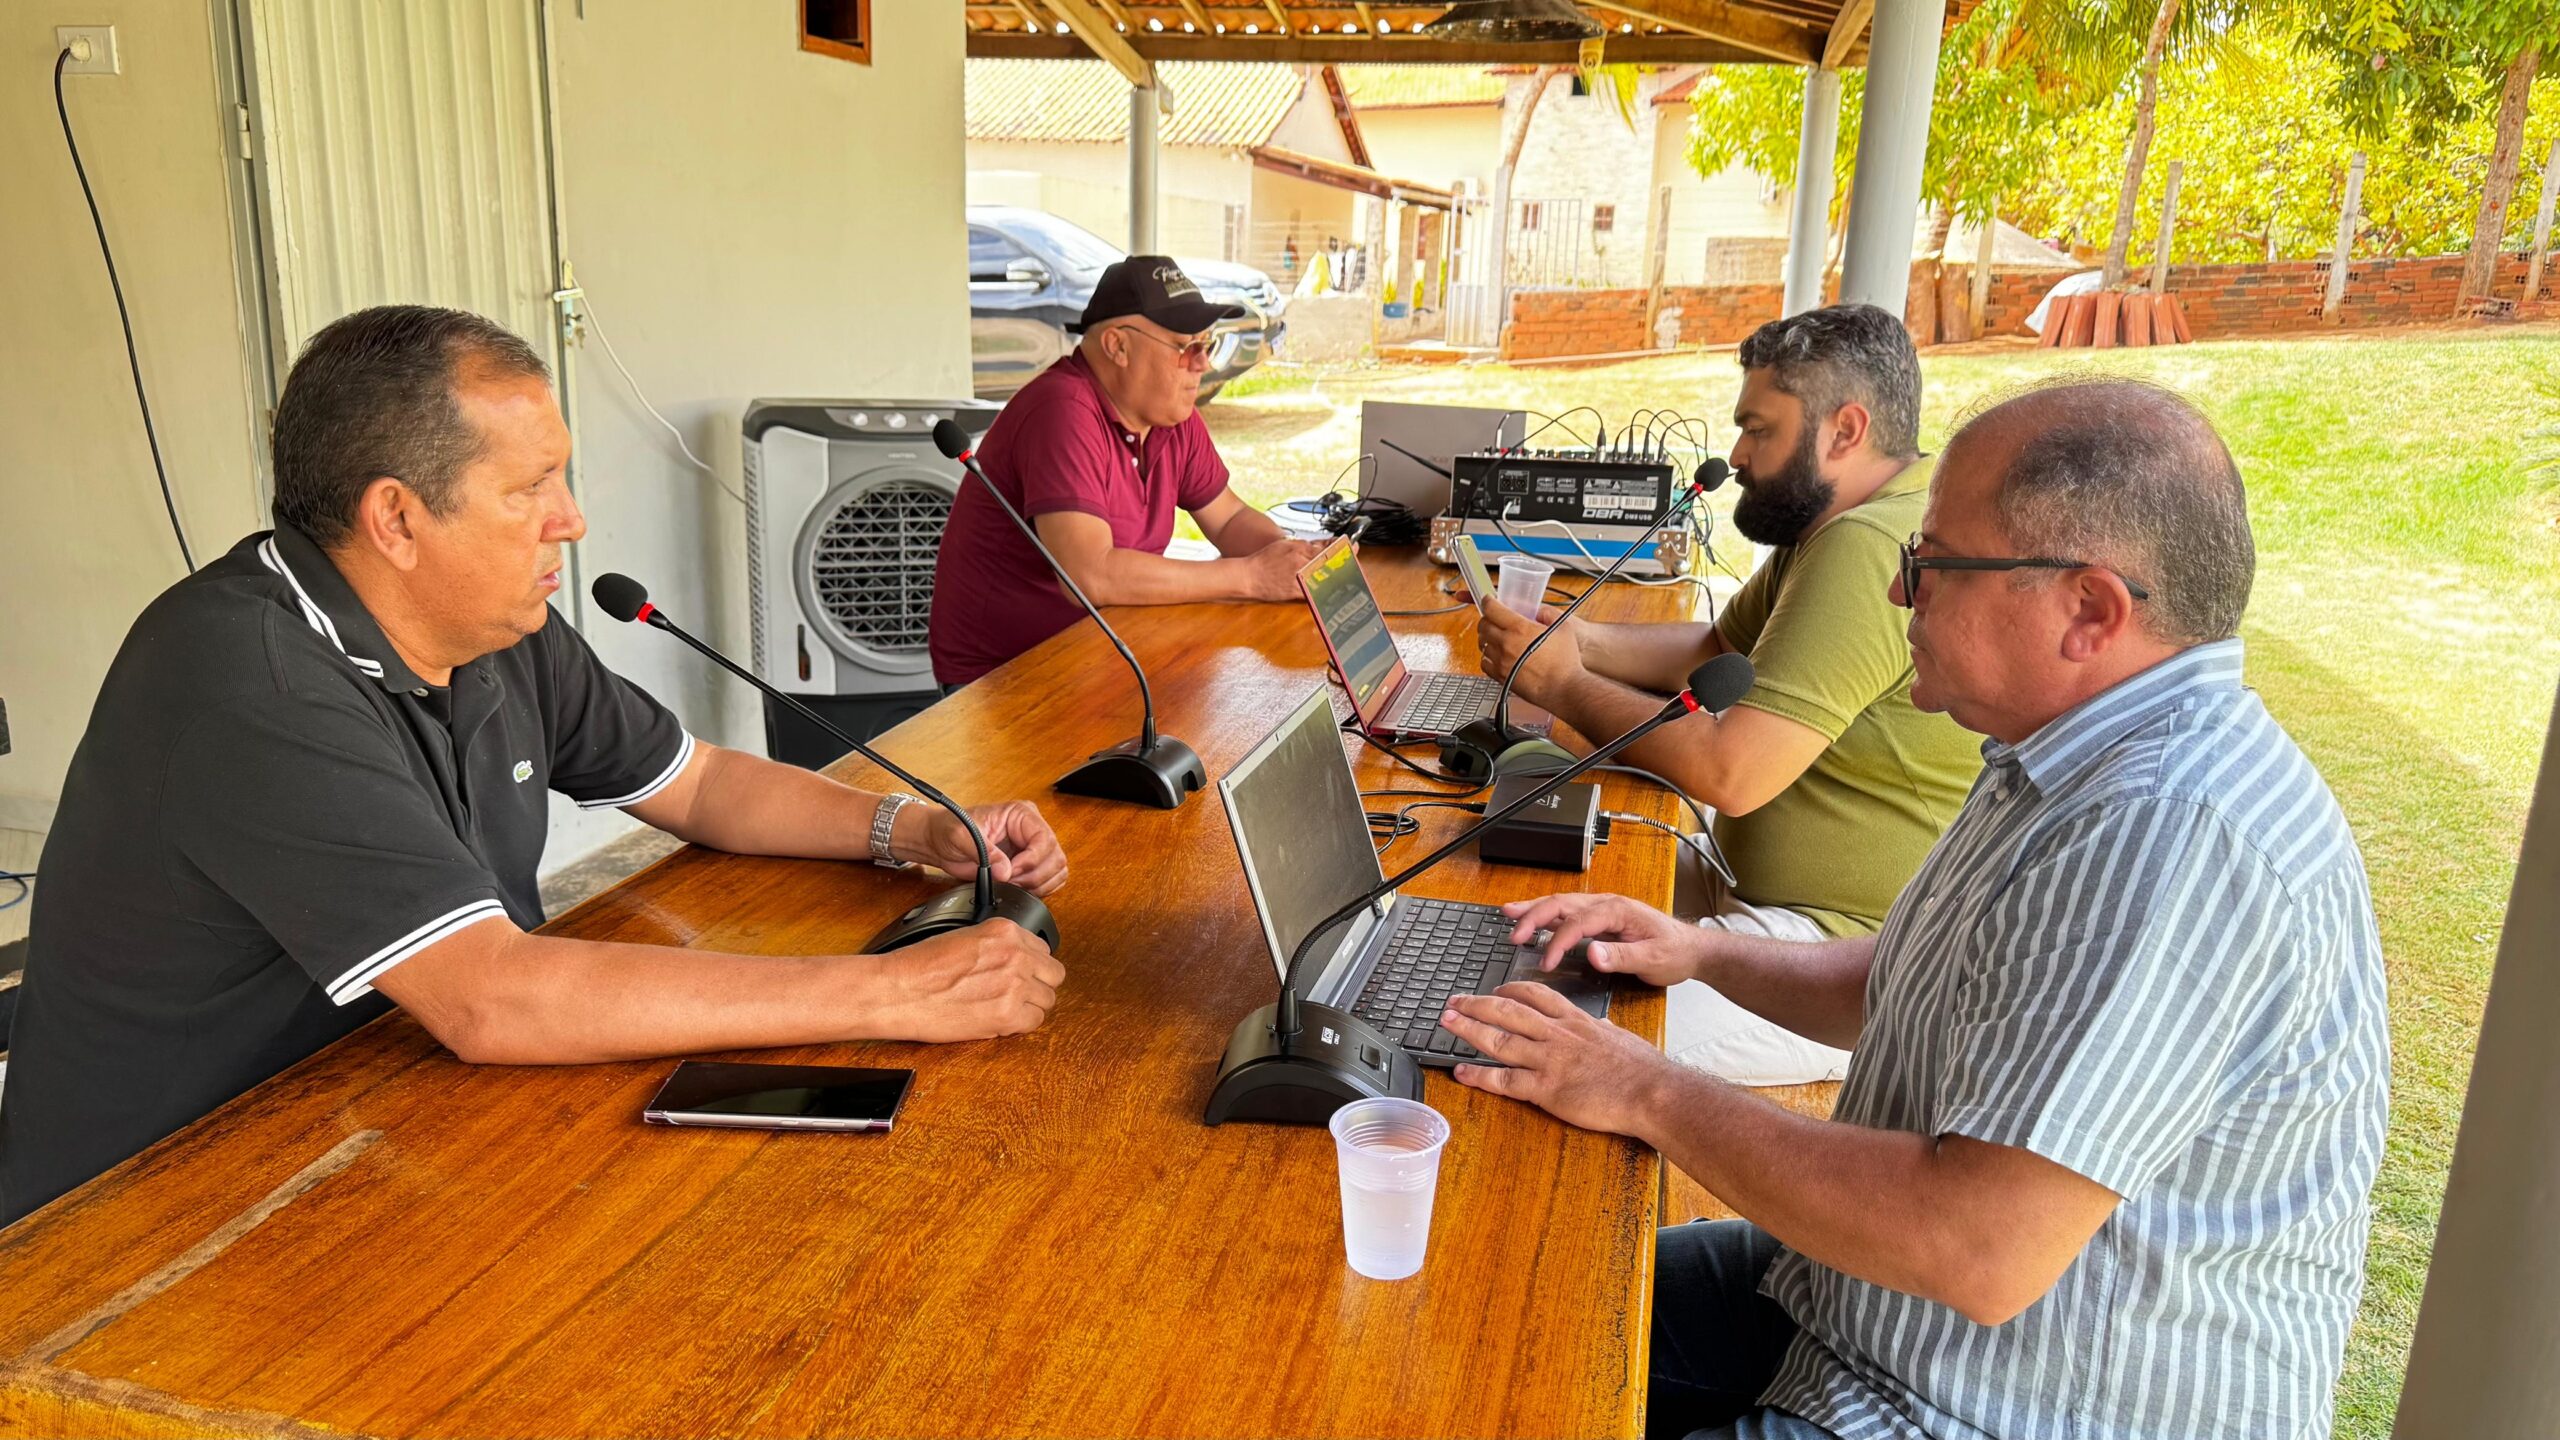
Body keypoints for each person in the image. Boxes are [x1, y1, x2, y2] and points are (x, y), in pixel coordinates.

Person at [1443, 379, 2389, 1440]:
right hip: (1870, 1315)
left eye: (1933, 565)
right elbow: (1913, 980)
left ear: (2090, 611)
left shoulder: (2169, 830)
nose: (1900, 592)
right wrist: (1697, 952)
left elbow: (1977, 1247)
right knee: (1492, 1308)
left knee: (1509, 1350)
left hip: (1984, 1404)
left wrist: (1644, 1089)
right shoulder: (2068, 746)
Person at [0, 305, 1071, 1226]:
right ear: (397, 518)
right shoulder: (245, 678)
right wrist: (892, 992)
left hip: (389, 1114)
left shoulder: (492, 626)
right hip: (154, 1211)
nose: (572, 519)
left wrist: (914, 830)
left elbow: (697, 783)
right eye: (531, 487)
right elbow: (490, 998)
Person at [1476, 305, 1981, 1085]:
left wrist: (1564, 684)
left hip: (1841, 958)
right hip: (1749, 890)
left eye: (1758, 429)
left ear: (1845, 430)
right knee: (1509, 926)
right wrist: (1579, 641)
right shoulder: (1848, 518)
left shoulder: (1867, 544)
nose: (1737, 454)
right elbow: (1717, 651)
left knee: (1520, 1033)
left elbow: (1730, 772)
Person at [928, 256, 1323, 687]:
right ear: (1117, 346)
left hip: (1101, 649)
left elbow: (1229, 519)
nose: (1203, 363)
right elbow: (1089, 574)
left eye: (1206, 344)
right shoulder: (1061, 410)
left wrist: (1295, 563)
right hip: (1006, 678)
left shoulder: (1168, 414)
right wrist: (1250, 577)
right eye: (1185, 347)